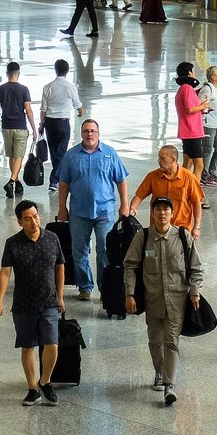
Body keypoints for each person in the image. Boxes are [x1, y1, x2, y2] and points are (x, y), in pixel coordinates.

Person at [123, 196, 203, 405]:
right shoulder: (143, 237)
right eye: (157, 209)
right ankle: (159, 371)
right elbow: (130, 266)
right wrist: (129, 294)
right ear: (152, 213)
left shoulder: (183, 237)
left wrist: (194, 291)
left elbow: (196, 268)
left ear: (172, 213)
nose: (161, 213)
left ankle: (169, 384)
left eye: (166, 209)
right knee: (154, 340)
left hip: (177, 300)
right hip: (152, 300)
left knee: (171, 340)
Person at [0, 200, 66, 406]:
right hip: (24, 305)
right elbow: (5, 272)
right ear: (19, 222)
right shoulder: (13, 243)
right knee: (28, 346)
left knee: (52, 343)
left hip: (49, 302)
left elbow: (60, 267)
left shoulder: (52, 238)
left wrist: (60, 296)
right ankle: (32, 388)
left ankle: (46, 381)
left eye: (35, 216)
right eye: (27, 219)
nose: (33, 221)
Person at [56, 119, 131, 301]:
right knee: (79, 250)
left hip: (104, 211)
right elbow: (63, 183)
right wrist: (62, 208)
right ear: (81, 133)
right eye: (86, 131)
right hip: (79, 212)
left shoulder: (109, 153)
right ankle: (84, 287)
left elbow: (121, 180)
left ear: (98, 133)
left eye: (93, 131)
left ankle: (105, 288)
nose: (90, 134)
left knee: (105, 249)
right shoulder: (71, 156)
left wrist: (125, 204)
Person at [127, 145, 203, 239]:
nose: (158, 161)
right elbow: (139, 196)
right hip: (157, 230)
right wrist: (133, 208)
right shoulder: (152, 176)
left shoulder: (189, 178)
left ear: (173, 159)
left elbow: (196, 203)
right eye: (158, 158)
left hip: (181, 231)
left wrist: (196, 227)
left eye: (162, 158)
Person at [0, 61, 38, 198]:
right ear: (18, 73)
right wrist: (34, 128)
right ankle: (11, 181)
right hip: (21, 127)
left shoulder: (1, 89)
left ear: (7, 74)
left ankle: (17, 183)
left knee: (12, 156)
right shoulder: (24, 89)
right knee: (18, 157)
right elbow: (28, 110)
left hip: (6, 127)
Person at [40, 59, 85, 193]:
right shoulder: (71, 87)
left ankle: (57, 179)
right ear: (67, 71)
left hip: (49, 123)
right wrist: (81, 112)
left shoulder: (47, 87)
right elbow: (78, 105)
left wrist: (41, 124)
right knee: (61, 152)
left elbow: (43, 109)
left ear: (55, 70)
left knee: (54, 152)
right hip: (63, 123)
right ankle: (55, 180)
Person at [173, 62, 211, 190]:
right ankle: (194, 194)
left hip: (186, 131)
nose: (195, 73)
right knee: (199, 166)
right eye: (193, 70)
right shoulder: (188, 89)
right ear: (189, 73)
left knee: (187, 163)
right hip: (192, 131)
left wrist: (200, 108)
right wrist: (203, 106)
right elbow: (190, 109)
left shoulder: (182, 89)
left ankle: (182, 189)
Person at [198, 66, 217, 188]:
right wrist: (207, 109)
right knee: (208, 150)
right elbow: (199, 105)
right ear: (213, 77)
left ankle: (211, 172)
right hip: (208, 124)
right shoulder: (207, 89)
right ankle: (204, 175)